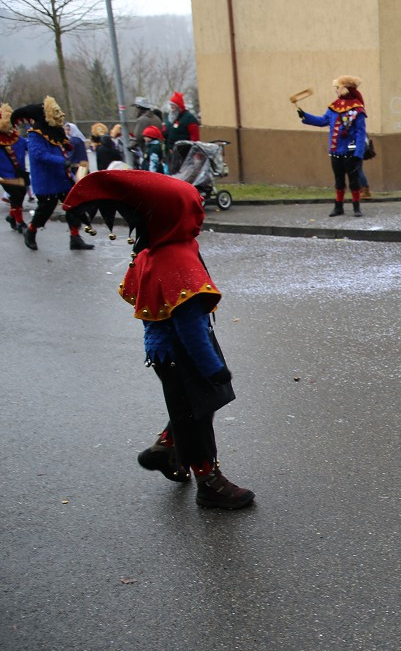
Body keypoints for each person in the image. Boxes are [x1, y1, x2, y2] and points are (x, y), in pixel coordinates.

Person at [63, 170, 255, 509]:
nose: (200, 212)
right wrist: (213, 369)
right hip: (184, 352)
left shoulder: (150, 249)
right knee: (197, 417)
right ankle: (209, 483)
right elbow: (190, 326)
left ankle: (166, 448)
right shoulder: (176, 258)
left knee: (190, 407)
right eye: (194, 208)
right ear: (175, 214)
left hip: (162, 353)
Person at [11, 97, 93, 251]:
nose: (60, 115)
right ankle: (31, 231)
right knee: (45, 209)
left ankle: (75, 238)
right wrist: (62, 161)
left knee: (73, 205)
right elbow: (39, 155)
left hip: (62, 177)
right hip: (46, 179)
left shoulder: (56, 131)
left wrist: (69, 153)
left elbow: (63, 148)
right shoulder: (35, 134)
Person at [296, 75, 369, 217]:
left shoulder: (357, 109)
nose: (336, 91)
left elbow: (361, 133)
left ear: (345, 89)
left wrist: (358, 154)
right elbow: (323, 121)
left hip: (351, 151)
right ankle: (338, 207)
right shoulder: (334, 107)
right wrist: (305, 115)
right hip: (336, 150)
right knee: (339, 180)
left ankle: (356, 207)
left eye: (337, 88)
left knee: (353, 180)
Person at [0, 102, 29, 233]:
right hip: (4, 174)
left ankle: (12, 216)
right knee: (16, 195)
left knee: (21, 193)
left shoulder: (17, 138)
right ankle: (20, 221)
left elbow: (28, 145)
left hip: (19, 172)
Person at [164, 91, 200, 159]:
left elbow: (195, 138)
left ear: (178, 107)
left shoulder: (189, 119)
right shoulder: (172, 118)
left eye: (173, 106)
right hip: (171, 154)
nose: (171, 109)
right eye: (171, 106)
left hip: (183, 154)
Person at [131, 96, 163, 161]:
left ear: (140, 108)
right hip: (158, 148)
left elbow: (138, 136)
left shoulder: (142, 119)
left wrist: (131, 144)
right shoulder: (156, 118)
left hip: (147, 150)